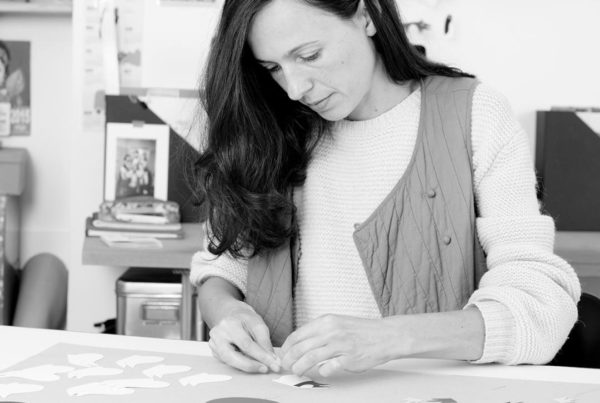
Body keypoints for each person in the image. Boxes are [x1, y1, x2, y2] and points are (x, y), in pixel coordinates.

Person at [191, 0, 581, 378]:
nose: (295, 88)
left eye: (309, 55)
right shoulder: (266, 130)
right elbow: (221, 268)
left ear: (366, 15)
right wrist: (227, 313)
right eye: (273, 68)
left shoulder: (476, 114)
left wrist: (389, 338)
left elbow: (541, 310)